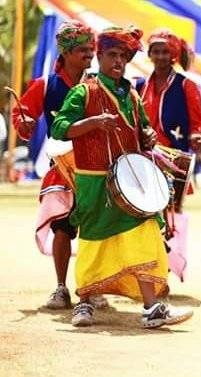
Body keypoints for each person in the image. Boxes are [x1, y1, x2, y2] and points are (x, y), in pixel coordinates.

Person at [51, 25, 193, 328]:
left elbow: (143, 132)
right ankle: (84, 303)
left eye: (124, 56)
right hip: (94, 180)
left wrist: (149, 136)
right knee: (93, 239)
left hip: (130, 182)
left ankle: (152, 308)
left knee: (144, 233)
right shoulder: (83, 91)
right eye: (112, 55)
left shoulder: (131, 94)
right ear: (99, 57)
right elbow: (59, 127)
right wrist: (91, 123)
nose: (118, 61)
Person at [10, 21, 108, 310]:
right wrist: (24, 124)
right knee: (63, 228)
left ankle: (92, 286)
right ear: (65, 52)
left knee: (94, 229)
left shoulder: (99, 84)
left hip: (97, 167)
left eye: (91, 51)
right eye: (82, 51)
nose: (89, 56)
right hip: (62, 167)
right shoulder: (44, 85)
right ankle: (61, 287)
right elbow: (22, 116)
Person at [139, 29, 201, 281]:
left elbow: (197, 123)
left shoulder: (187, 85)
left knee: (170, 217)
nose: (160, 56)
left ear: (174, 54)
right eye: (156, 51)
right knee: (145, 214)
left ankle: (163, 270)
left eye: (165, 51)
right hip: (144, 159)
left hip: (174, 162)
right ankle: (147, 266)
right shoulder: (139, 85)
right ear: (149, 54)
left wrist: (197, 136)